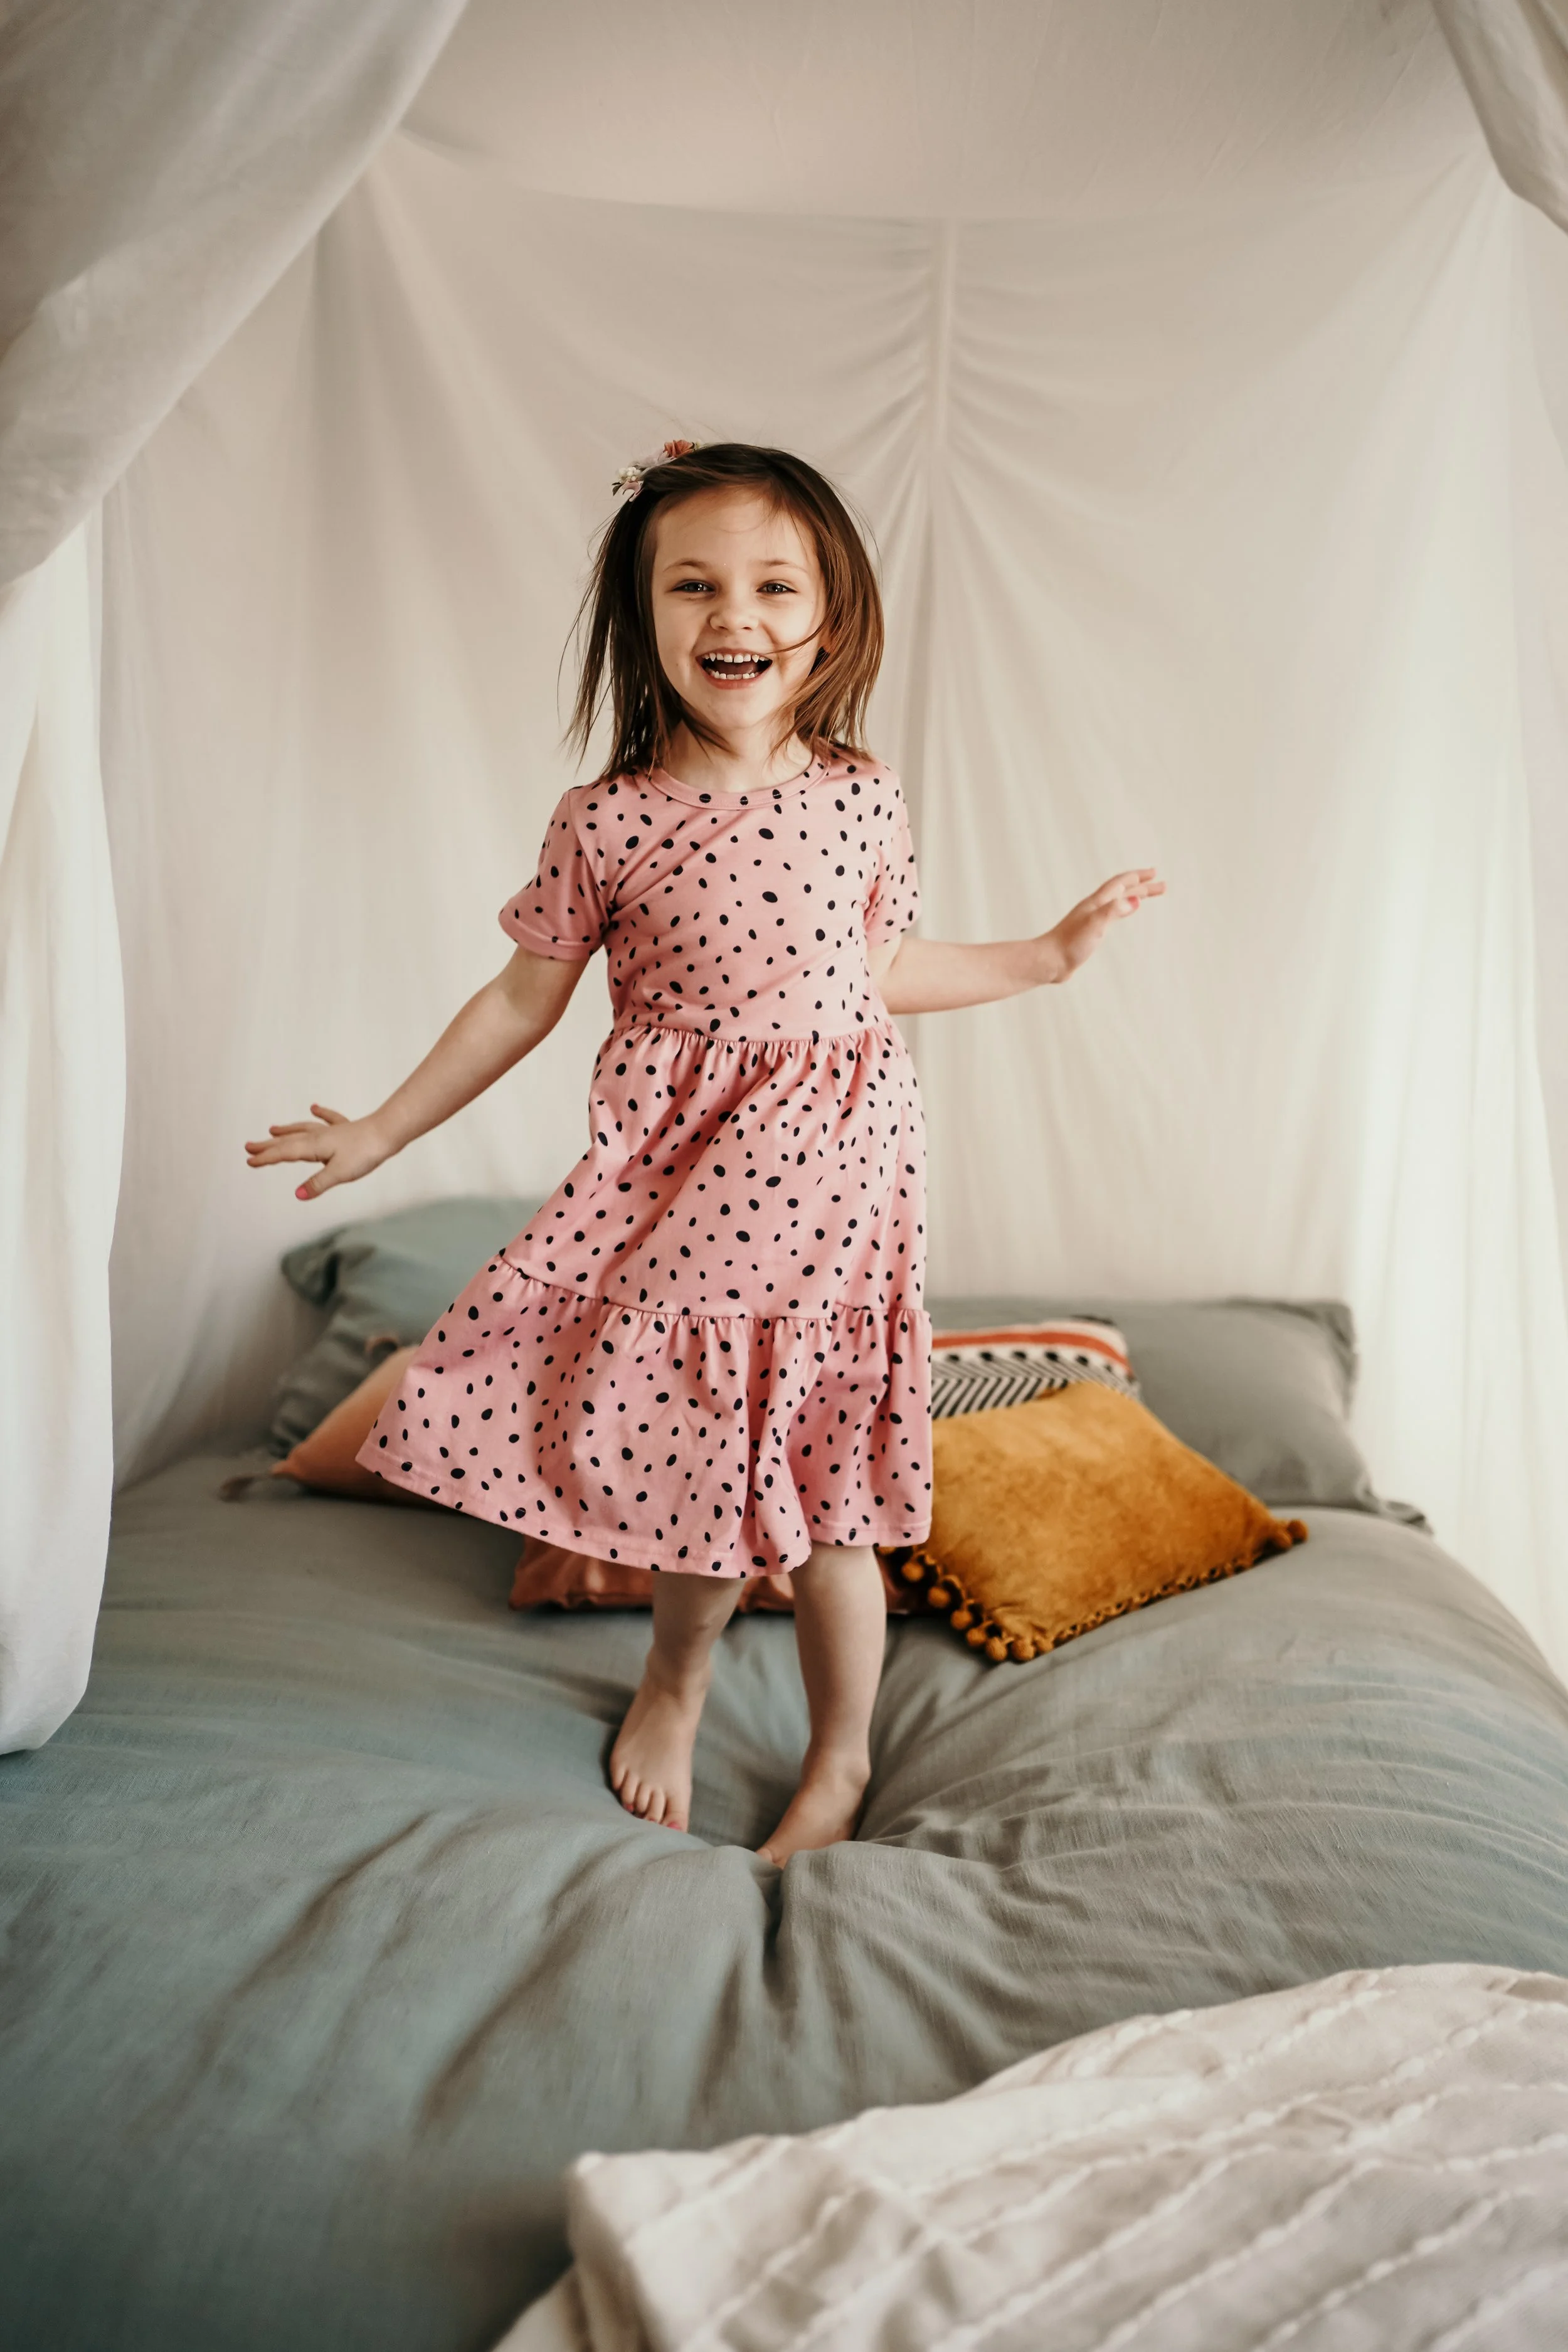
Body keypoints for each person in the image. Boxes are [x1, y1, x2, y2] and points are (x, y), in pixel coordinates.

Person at [246, 440, 1164, 1864]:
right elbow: (518, 1001)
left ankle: (842, 1759)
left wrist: (1044, 956)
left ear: (830, 619)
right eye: (693, 585)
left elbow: (874, 970)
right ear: (644, 616)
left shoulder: (862, 795)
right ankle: (673, 1682)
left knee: (836, 1505)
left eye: (772, 585)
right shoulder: (607, 822)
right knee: (699, 1464)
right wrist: (382, 1125)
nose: (734, 614)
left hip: (842, 1191)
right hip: (692, 1191)